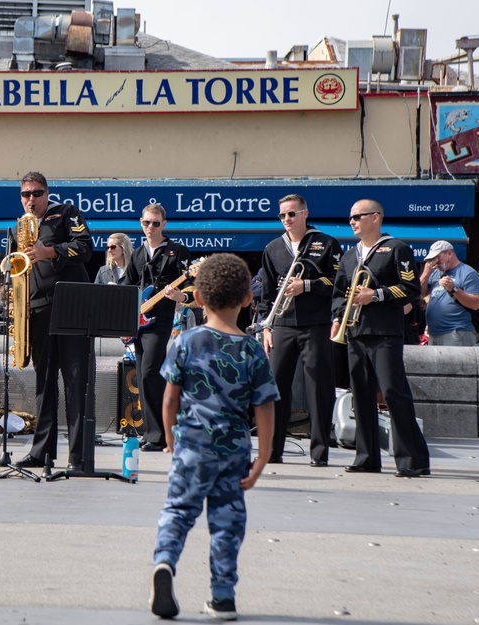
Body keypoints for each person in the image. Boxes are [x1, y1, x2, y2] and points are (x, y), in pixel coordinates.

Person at [150, 253, 278, 621]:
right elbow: (265, 408)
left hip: (191, 444)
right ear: (247, 298)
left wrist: (172, 440)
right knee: (227, 521)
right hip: (234, 449)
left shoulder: (186, 341)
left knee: (178, 510)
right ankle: (222, 597)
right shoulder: (253, 350)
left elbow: (170, 397)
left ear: (199, 298)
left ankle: (164, 563)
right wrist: (263, 457)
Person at [331, 199, 430, 478]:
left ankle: (413, 459)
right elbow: (339, 294)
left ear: (375, 217)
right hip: (355, 332)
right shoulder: (349, 256)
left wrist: (375, 295)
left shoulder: (396, 248)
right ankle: (366, 457)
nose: (352, 222)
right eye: (350, 218)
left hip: (385, 331)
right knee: (360, 395)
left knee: (393, 393)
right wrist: (339, 317)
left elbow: (410, 288)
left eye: (357, 217)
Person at [13, 172, 93, 470]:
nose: (30, 199)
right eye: (25, 194)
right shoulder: (19, 228)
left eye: (36, 193)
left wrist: (51, 252)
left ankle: (79, 457)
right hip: (38, 310)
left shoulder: (66, 213)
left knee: (75, 380)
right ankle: (41, 451)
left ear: (47, 193)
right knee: (44, 383)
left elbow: (85, 247)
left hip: (71, 305)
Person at [260, 194, 342, 466]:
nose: (286, 219)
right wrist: (266, 327)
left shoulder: (326, 243)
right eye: (282, 215)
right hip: (282, 325)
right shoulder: (273, 248)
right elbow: (267, 292)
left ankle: (319, 453)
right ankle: (273, 450)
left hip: (315, 325)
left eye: (292, 214)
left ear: (305, 214)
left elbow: (338, 284)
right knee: (276, 387)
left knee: (319, 388)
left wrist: (306, 285)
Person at [123, 203, 192, 452]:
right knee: (142, 375)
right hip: (139, 321)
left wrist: (180, 297)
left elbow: (192, 283)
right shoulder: (138, 253)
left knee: (150, 371)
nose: (150, 227)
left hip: (160, 321)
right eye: (146, 222)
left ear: (164, 224)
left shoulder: (177, 251)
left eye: (155, 223)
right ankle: (154, 431)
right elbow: (128, 285)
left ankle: (160, 434)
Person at [420, 240, 479, 346]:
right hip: (434, 333)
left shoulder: (468, 273)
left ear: (449, 253)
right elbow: (420, 294)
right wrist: (426, 273)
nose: (435, 262)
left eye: (437, 257)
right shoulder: (435, 273)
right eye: (431, 259)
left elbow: (476, 304)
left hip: (457, 331)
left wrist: (454, 289)